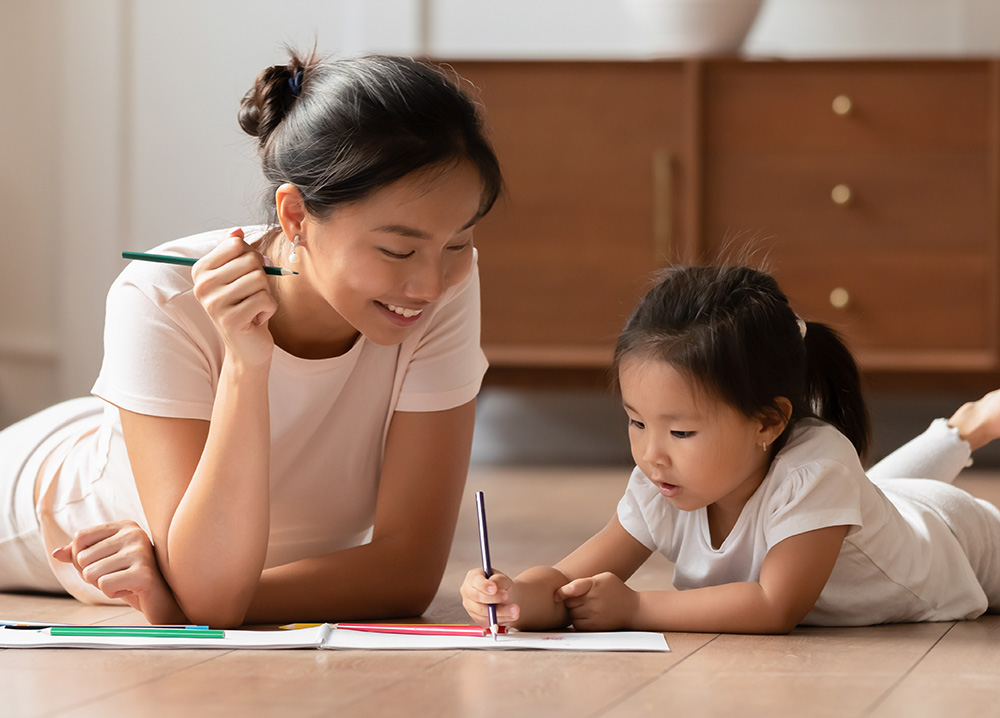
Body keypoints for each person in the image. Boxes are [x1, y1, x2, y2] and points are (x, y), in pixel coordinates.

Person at [0, 50, 502, 627]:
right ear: (294, 215)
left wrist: (184, 598)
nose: (431, 283)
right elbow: (212, 597)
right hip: (46, 493)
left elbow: (406, 573)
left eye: (459, 243)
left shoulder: (438, 287)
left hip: (157, 490)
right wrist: (245, 362)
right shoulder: (163, 291)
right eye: (396, 249)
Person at [462, 264, 1000, 633]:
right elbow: (563, 581)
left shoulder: (817, 468)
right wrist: (511, 597)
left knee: (881, 500)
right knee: (877, 495)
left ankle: (971, 425)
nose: (652, 454)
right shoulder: (664, 479)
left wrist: (637, 608)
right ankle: (968, 426)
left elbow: (775, 605)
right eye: (635, 422)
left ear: (767, 423)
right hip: (881, 511)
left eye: (681, 432)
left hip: (958, 543)